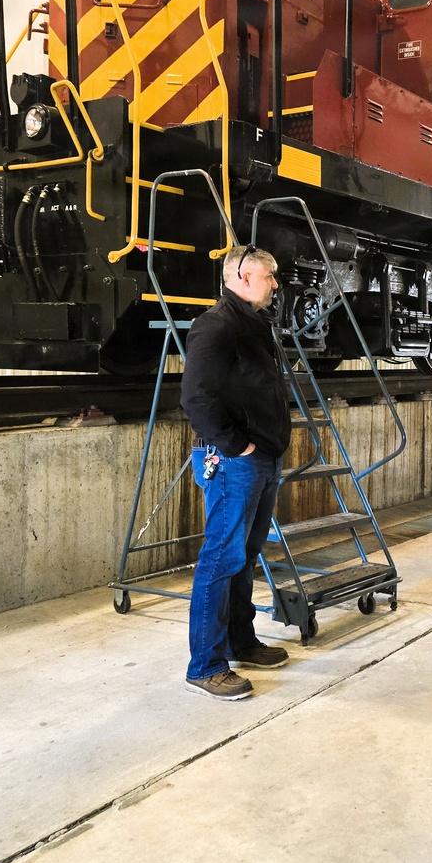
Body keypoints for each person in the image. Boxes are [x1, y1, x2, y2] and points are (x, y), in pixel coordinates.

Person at [179, 243, 292, 700]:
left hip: (260, 458)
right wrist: (236, 446)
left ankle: (240, 642)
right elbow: (196, 398)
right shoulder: (216, 327)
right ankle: (205, 665)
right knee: (220, 559)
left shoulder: (252, 325)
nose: (276, 285)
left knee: (244, 555)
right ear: (243, 277)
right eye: (271, 277)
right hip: (234, 462)